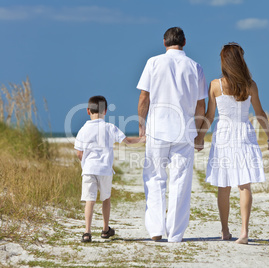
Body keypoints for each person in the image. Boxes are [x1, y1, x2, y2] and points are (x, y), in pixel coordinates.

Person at [194, 42, 269, 244]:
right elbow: (260, 114)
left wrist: (200, 137)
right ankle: (244, 231)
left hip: (224, 134)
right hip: (244, 133)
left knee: (224, 185)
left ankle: (224, 230)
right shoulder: (250, 85)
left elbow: (209, 116)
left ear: (224, 62)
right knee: (244, 184)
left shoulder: (215, 85)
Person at [137, 27, 207, 243]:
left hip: (158, 128)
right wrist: (199, 134)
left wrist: (142, 127)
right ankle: (175, 234)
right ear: (184, 42)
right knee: (181, 182)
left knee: (155, 178)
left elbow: (144, 97)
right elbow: (200, 106)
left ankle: (156, 229)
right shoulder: (195, 67)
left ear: (164, 42)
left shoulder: (153, 62)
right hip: (184, 131)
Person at [75, 95, 144, 243]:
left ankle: (87, 232)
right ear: (105, 111)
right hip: (105, 169)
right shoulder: (110, 127)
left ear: (88, 111)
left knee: (90, 200)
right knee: (106, 198)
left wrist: (86, 162)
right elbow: (127, 141)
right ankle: (105, 229)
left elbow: (79, 153)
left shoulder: (83, 130)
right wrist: (144, 139)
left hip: (88, 170)